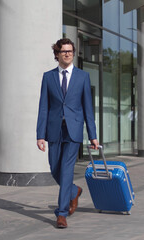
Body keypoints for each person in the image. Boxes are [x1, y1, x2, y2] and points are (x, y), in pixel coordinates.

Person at [36, 38, 99, 228]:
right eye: (64, 51)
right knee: (54, 168)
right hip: (54, 129)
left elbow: (88, 108)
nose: (68, 54)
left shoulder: (82, 77)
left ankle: (61, 213)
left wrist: (93, 134)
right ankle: (74, 191)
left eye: (70, 51)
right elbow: (43, 108)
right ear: (57, 54)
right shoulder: (48, 77)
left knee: (66, 170)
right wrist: (40, 135)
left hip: (73, 130)